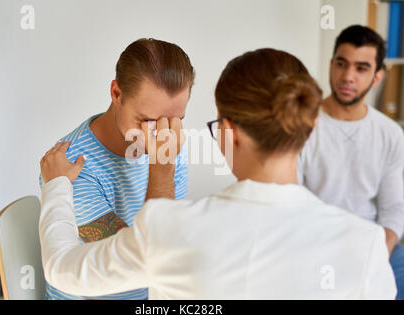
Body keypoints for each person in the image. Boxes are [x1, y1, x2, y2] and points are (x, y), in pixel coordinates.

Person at [39, 48, 396, 299]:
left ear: (227, 132)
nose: (163, 134)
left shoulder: (171, 229)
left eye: (175, 121)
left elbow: (63, 269)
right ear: (311, 126)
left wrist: (56, 187)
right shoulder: (366, 245)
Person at [38, 38, 194, 300]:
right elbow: (148, 259)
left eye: (175, 120)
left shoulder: (169, 139)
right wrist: (162, 170)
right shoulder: (71, 169)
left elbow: (173, 241)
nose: (161, 134)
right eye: (147, 121)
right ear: (116, 93)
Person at [298, 25, 404, 299]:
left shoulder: (390, 134)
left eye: (361, 68)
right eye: (342, 64)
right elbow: (292, 202)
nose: (348, 77)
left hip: (371, 241)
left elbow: (393, 210)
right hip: (316, 241)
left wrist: (376, 255)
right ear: (331, 65)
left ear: (377, 76)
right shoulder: (302, 124)